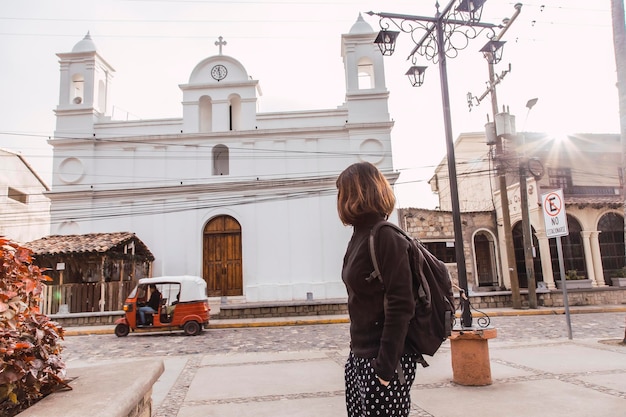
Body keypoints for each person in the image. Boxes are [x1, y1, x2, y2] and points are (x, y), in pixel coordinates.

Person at [336, 161, 418, 417]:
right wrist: (355, 360)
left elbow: (401, 304)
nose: (337, 199)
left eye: (341, 191)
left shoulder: (385, 236)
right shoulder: (358, 236)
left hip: (383, 362)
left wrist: (384, 368)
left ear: (355, 192)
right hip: (360, 357)